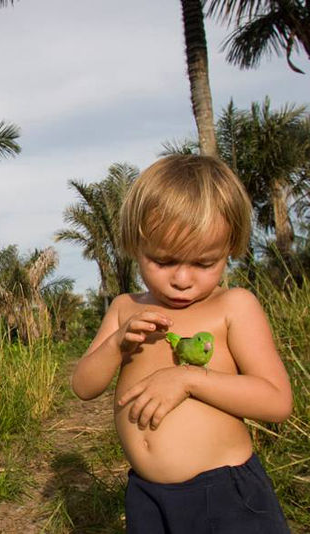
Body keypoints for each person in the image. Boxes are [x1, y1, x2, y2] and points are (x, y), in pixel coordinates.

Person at [71, 154, 293, 533]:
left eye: (204, 264)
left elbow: (276, 401)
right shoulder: (126, 309)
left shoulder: (233, 307)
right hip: (147, 496)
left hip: (224, 495)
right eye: (163, 260)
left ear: (229, 249)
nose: (183, 279)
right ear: (135, 246)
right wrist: (116, 345)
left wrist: (187, 379)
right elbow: (84, 386)